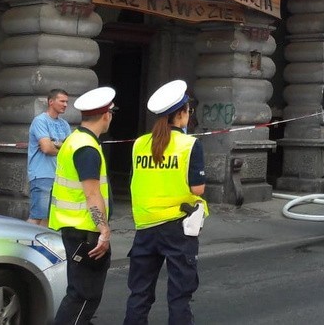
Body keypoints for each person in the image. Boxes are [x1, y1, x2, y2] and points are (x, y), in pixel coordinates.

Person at [124, 80, 208, 325]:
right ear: (181, 113)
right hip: (178, 227)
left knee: (139, 294)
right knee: (179, 296)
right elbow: (197, 188)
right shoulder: (190, 144)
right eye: (188, 111)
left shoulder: (140, 143)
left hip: (145, 225)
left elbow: (135, 179)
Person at [49, 86, 117, 325]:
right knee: (84, 297)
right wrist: (105, 231)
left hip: (72, 228)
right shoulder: (87, 147)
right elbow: (92, 193)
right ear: (106, 115)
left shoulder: (74, 140)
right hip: (85, 233)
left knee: (79, 293)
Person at [27, 89, 71, 226]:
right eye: (62, 101)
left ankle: (41, 247)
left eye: (66, 102)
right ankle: (21, 243)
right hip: (42, 175)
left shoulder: (64, 124)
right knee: (37, 217)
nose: (65, 105)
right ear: (51, 102)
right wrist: (59, 146)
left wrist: (54, 144)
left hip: (58, 176)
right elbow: (46, 148)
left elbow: (70, 149)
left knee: (48, 218)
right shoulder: (40, 121)